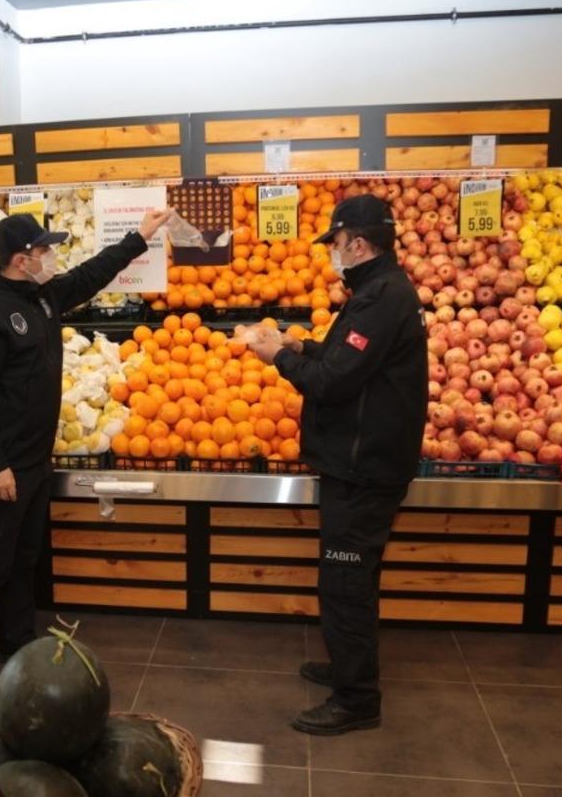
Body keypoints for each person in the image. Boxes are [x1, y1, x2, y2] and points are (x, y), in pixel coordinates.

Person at [0, 208, 172, 697]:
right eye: (43, 250)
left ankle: (16, 646)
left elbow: (92, 274)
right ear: (19, 258)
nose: (51, 256)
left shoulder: (44, 295)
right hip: (4, 468)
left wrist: (140, 236)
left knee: (24, 558)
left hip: (36, 461)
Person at [245, 194, 427, 736]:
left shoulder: (380, 298)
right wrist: (298, 341)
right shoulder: (379, 291)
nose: (334, 255)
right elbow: (345, 356)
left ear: (360, 244)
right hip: (362, 461)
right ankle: (350, 668)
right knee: (352, 576)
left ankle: (357, 700)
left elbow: (332, 381)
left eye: (337, 245)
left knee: (345, 581)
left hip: (364, 467)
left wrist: (277, 357)